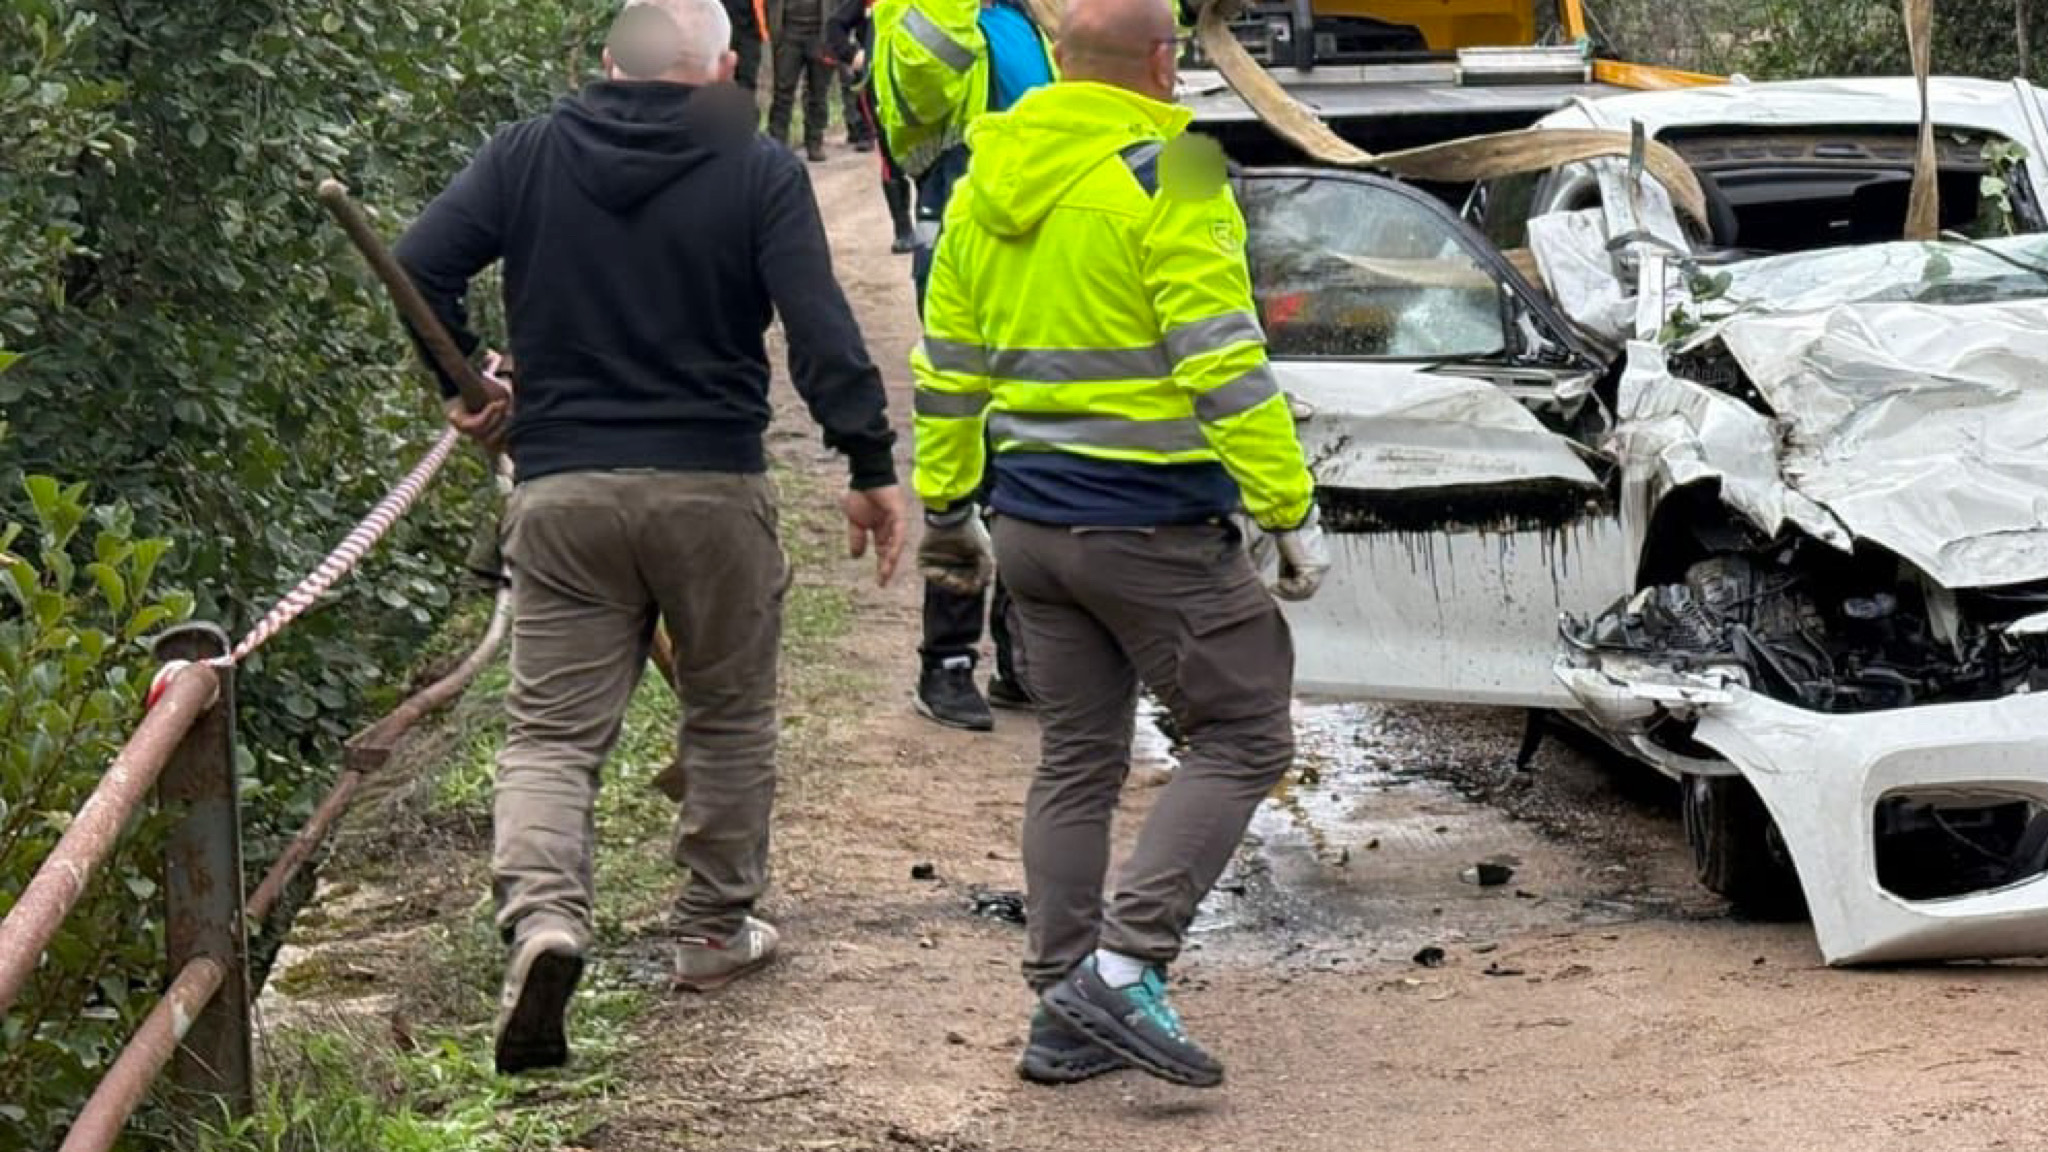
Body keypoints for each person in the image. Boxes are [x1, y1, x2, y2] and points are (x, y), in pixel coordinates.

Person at [395, 0, 907, 1076]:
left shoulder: (526, 154)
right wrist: (866, 462)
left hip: (564, 490)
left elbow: (419, 261)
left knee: (550, 736)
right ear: (721, 69)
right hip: (711, 488)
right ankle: (714, 931)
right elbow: (818, 330)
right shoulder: (757, 168)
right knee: (727, 714)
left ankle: (544, 920)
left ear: (606, 62)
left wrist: (466, 377)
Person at [909, 0, 1329, 1089]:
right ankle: (1123, 967)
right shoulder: (1176, 172)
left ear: (1057, 59)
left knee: (1076, 759)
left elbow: (947, 367)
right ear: (1162, 61)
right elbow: (1220, 360)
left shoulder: (983, 179)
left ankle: (1062, 1006)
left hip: (1031, 531)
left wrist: (947, 509)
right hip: (1153, 526)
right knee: (1245, 733)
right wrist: (1286, 508)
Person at [871, 0, 1055, 729]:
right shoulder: (915, 14)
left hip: (1048, 252)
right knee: (968, 450)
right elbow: (920, 87)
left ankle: (1022, 654)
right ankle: (945, 661)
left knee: (1033, 446)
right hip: (962, 251)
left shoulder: (1032, 14)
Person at [826, 0, 916, 250]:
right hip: (879, 84)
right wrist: (853, 55)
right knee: (889, 155)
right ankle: (903, 228)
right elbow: (834, 26)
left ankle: (930, 221)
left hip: (920, 81)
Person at [768, 0, 835, 160]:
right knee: (783, 92)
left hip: (821, 34)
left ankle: (815, 142)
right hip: (788, 33)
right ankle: (777, 143)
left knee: (818, 92)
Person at [724, 0, 770, 92]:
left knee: (747, 77)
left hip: (750, 28)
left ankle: (745, 100)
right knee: (719, 75)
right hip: (722, 26)